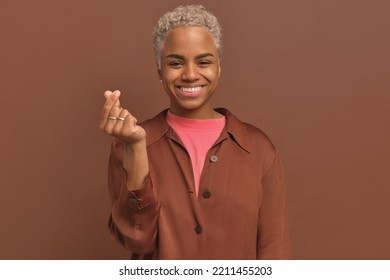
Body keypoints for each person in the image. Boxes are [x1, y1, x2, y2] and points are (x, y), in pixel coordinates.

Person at [99, 5, 291, 260]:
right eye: (176, 63)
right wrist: (135, 149)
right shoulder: (128, 145)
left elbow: (275, 252)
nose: (190, 74)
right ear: (159, 69)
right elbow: (137, 242)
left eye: (203, 62)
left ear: (218, 67)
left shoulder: (259, 149)